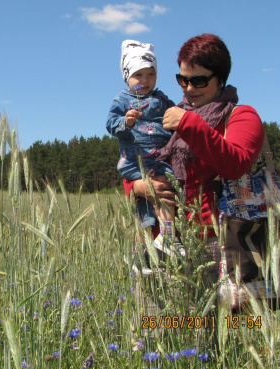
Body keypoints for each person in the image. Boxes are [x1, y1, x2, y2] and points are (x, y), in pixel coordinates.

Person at [125, 33, 265, 281]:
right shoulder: (168, 115)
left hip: (216, 245)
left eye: (199, 80)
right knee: (155, 321)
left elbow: (236, 164)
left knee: (211, 321)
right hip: (160, 244)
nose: (189, 88)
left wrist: (188, 124)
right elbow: (139, 158)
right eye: (183, 80)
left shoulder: (241, 116)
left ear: (220, 78)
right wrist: (136, 186)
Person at [106, 40, 184, 254]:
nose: (145, 80)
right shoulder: (122, 101)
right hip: (134, 160)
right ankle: (141, 249)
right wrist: (127, 122)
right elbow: (110, 124)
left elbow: (178, 114)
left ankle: (168, 236)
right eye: (138, 76)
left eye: (150, 74)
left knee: (166, 192)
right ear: (127, 77)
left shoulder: (161, 99)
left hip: (159, 158)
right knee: (144, 206)